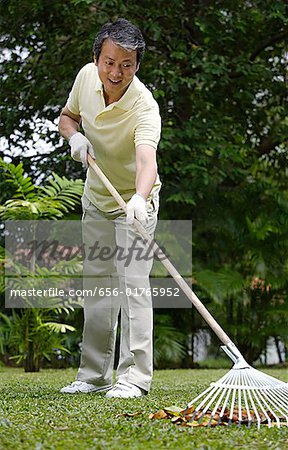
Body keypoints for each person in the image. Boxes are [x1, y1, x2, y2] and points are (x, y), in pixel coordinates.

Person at [58, 18, 161, 398]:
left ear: (137, 65)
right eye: (109, 62)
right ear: (97, 58)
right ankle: (93, 375)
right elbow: (67, 117)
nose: (116, 72)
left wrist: (139, 197)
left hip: (134, 202)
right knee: (98, 288)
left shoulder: (144, 107)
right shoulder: (86, 78)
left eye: (126, 64)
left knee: (133, 287)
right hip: (97, 199)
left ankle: (134, 378)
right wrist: (76, 137)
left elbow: (147, 160)